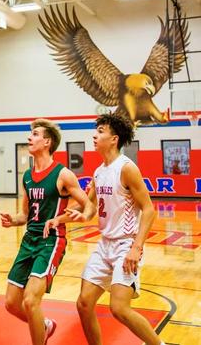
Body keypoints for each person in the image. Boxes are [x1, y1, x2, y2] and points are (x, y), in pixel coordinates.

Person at [0, 119, 95, 345]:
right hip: (29, 240)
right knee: (11, 303)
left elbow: (89, 206)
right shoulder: (27, 176)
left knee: (30, 301)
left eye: (35, 134)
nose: (29, 137)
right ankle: (44, 326)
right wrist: (13, 220)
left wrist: (73, 217)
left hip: (51, 241)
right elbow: (25, 215)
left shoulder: (63, 174)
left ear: (47, 142)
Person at [73, 114, 164, 345]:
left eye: (100, 131)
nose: (94, 135)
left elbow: (149, 209)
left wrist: (136, 247)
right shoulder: (98, 171)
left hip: (126, 244)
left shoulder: (126, 168)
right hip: (105, 244)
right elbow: (90, 207)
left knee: (119, 308)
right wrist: (72, 214)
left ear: (114, 139)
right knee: (84, 303)